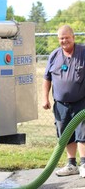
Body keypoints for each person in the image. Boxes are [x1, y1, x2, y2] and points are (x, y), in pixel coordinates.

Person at [43, 24, 85, 177]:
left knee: (83, 133)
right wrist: (45, 98)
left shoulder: (83, 52)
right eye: (61, 38)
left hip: (81, 102)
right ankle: (71, 164)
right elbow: (47, 79)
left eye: (67, 37)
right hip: (61, 104)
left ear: (73, 37)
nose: (64, 41)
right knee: (65, 134)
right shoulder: (54, 55)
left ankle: (84, 164)